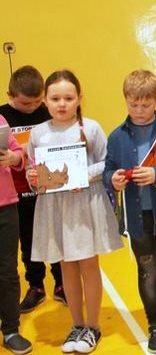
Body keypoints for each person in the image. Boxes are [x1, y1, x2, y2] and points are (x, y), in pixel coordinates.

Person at [27, 70, 122, 353]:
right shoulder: (38, 133)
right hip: (54, 207)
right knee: (66, 265)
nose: (62, 104)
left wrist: (82, 175)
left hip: (84, 205)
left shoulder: (91, 128)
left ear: (79, 99)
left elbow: (107, 162)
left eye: (68, 98)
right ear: (45, 100)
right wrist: (34, 177)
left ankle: (93, 326)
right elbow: (34, 169)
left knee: (88, 265)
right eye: (55, 98)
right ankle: (76, 324)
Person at [104, 70, 156, 353]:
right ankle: (155, 324)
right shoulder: (116, 136)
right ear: (125, 100)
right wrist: (113, 179)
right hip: (137, 217)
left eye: (146, 104)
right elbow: (108, 170)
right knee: (147, 271)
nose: (139, 110)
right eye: (133, 104)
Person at [0, 66, 64, 313]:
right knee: (28, 240)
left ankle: (61, 283)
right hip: (17, 192)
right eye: (26, 103)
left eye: (38, 101)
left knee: (56, 235)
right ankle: (36, 285)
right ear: (10, 96)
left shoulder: (48, 112)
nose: (33, 107)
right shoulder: (3, 116)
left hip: (49, 187)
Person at [0, 117, 33, 355]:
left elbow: (18, 154)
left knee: (7, 271)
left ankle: (11, 330)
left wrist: (14, 158)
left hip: (5, 206)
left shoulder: (0, 121)